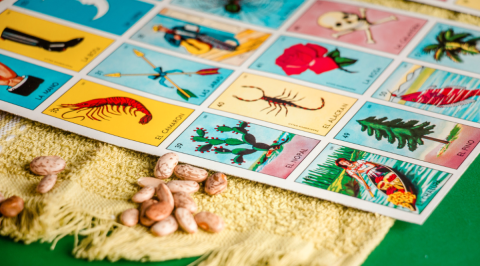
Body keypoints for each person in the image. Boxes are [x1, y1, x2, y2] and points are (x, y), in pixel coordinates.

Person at [152, 24, 239, 52]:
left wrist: (195, 29)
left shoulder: (175, 28)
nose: (163, 28)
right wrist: (178, 40)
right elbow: (174, 45)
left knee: (214, 41)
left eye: (161, 27)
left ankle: (230, 46)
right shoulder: (166, 36)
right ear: (160, 31)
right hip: (192, 42)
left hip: (197, 36)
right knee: (210, 45)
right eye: (160, 29)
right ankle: (230, 49)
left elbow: (185, 27)